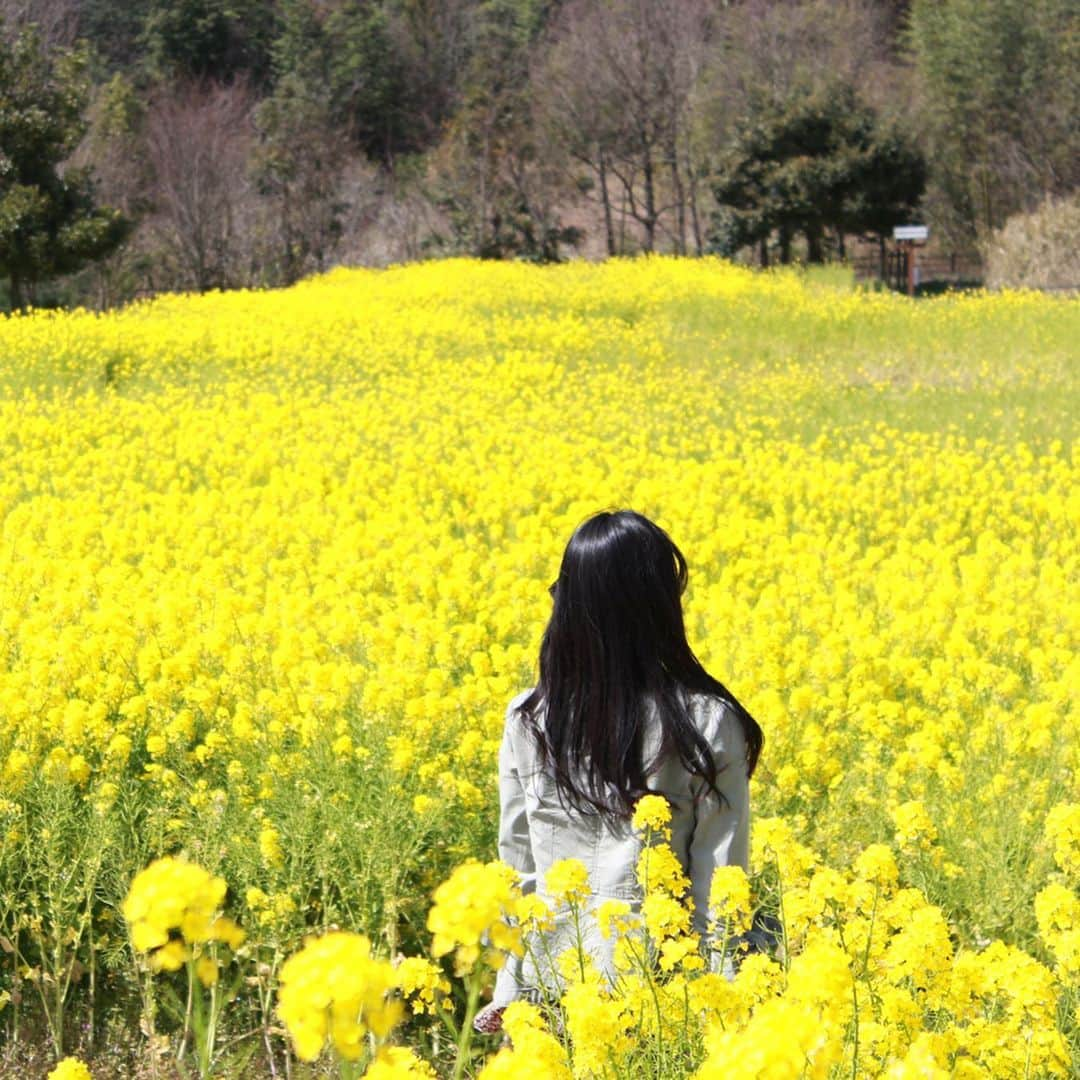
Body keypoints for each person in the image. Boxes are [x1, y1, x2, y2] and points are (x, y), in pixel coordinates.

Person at [474, 509, 764, 1034]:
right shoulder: (704, 722)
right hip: (660, 993)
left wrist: (512, 992)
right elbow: (721, 879)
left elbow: (516, 867)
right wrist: (722, 1012)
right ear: (657, 609)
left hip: (553, 987)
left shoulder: (529, 718)